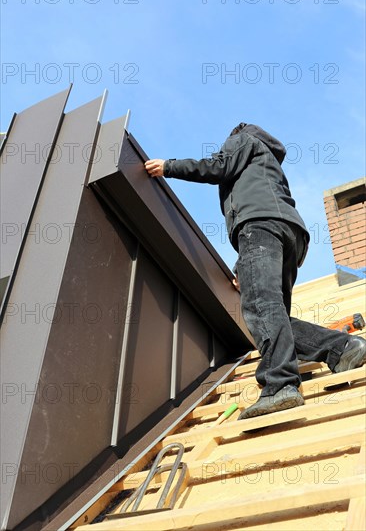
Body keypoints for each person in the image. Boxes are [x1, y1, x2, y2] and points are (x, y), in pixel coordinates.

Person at [144, 122, 366, 419]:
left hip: (260, 227)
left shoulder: (241, 139)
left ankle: (281, 385)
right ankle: (344, 348)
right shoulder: (266, 162)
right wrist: (242, 265)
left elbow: (217, 167)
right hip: (290, 235)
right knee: (275, 316)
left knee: (261, 307)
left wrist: (168, 166)